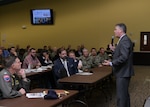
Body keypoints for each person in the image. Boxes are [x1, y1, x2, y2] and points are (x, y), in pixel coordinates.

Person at [102, 23, 134, 107]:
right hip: (124, 71)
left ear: (120, 30)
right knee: (124, 95)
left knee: (121, 96)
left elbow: (124, 57)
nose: (114, 31)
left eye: (115, 29)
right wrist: (114, 50)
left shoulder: (125, 40)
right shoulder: (123, 40)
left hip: (123, 72)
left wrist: (111, 63)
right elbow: (122, 53)